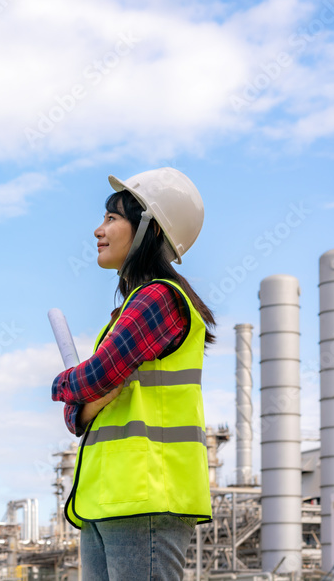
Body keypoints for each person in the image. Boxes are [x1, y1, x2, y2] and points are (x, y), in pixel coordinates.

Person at [50, 167, 216, 580]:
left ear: (150, 230)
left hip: (146, 499)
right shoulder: (127, 313)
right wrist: (85, 397)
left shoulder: (158, 299)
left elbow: (95, 379)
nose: (98, 231)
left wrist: (63, 384)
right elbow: (79, 414)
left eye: (112, 218)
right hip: (108, 501)